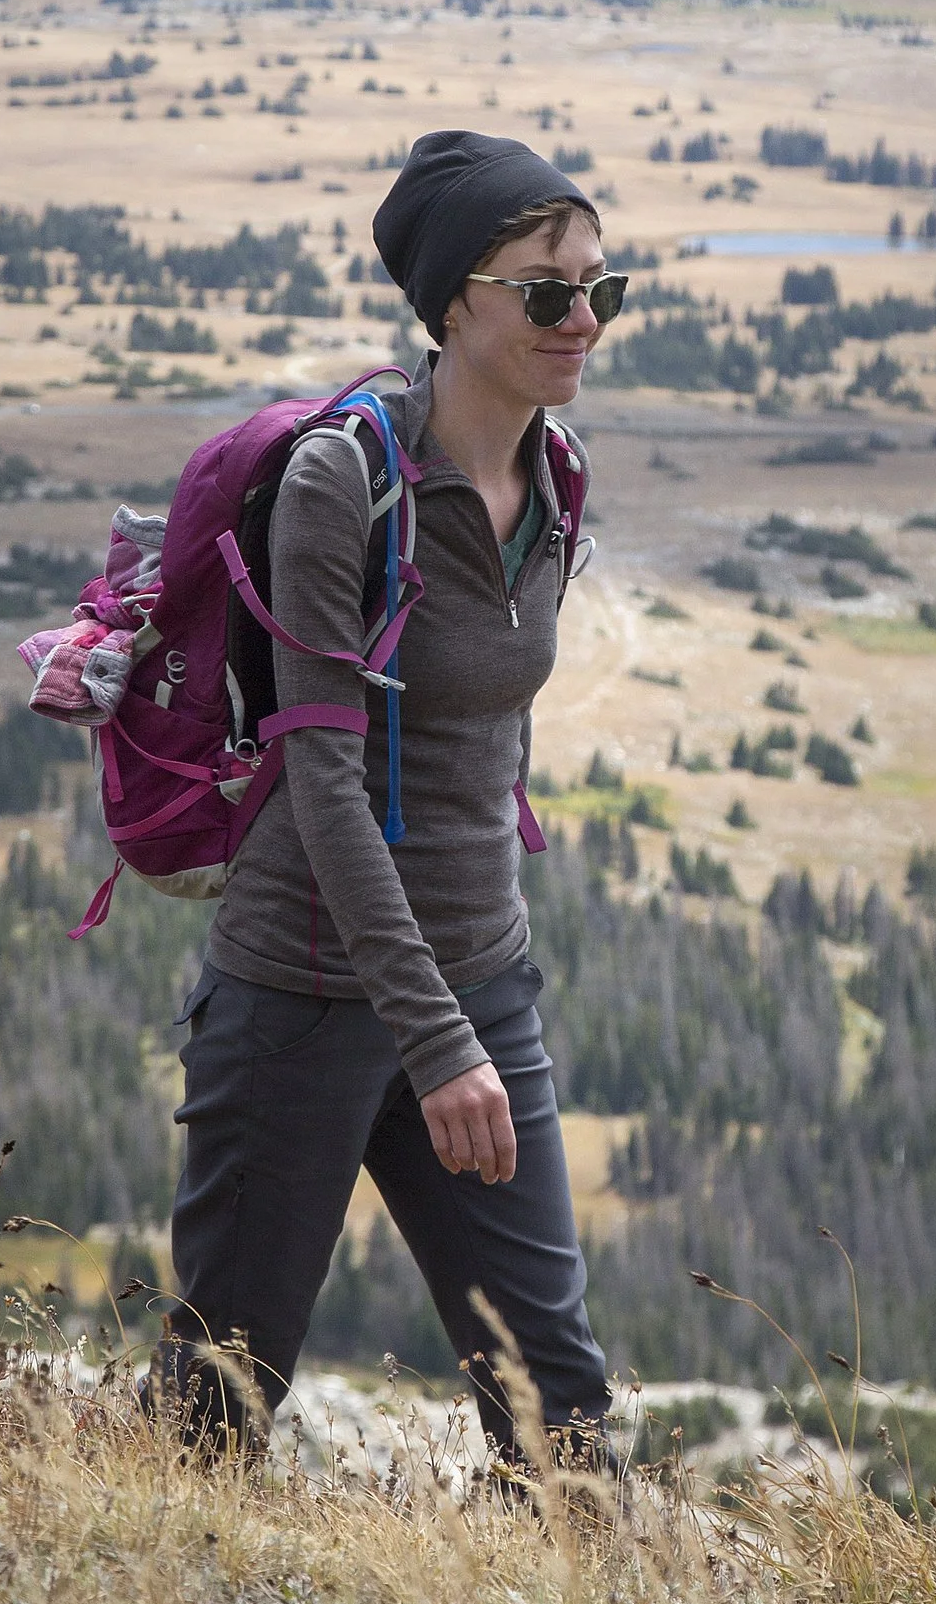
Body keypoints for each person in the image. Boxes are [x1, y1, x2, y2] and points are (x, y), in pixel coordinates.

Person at [156, 128, 628, 1472]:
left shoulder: (557, 479)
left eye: (602, 285)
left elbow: (487, 745)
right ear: (453, 300)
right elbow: (326, 784)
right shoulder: (341, 483)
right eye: (549, 290)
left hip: (482, 986)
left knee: (564, 1422)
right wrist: (438, 1043)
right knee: (213, 1413)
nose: (583, 318)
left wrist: (478, 1005)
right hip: (303, 998)